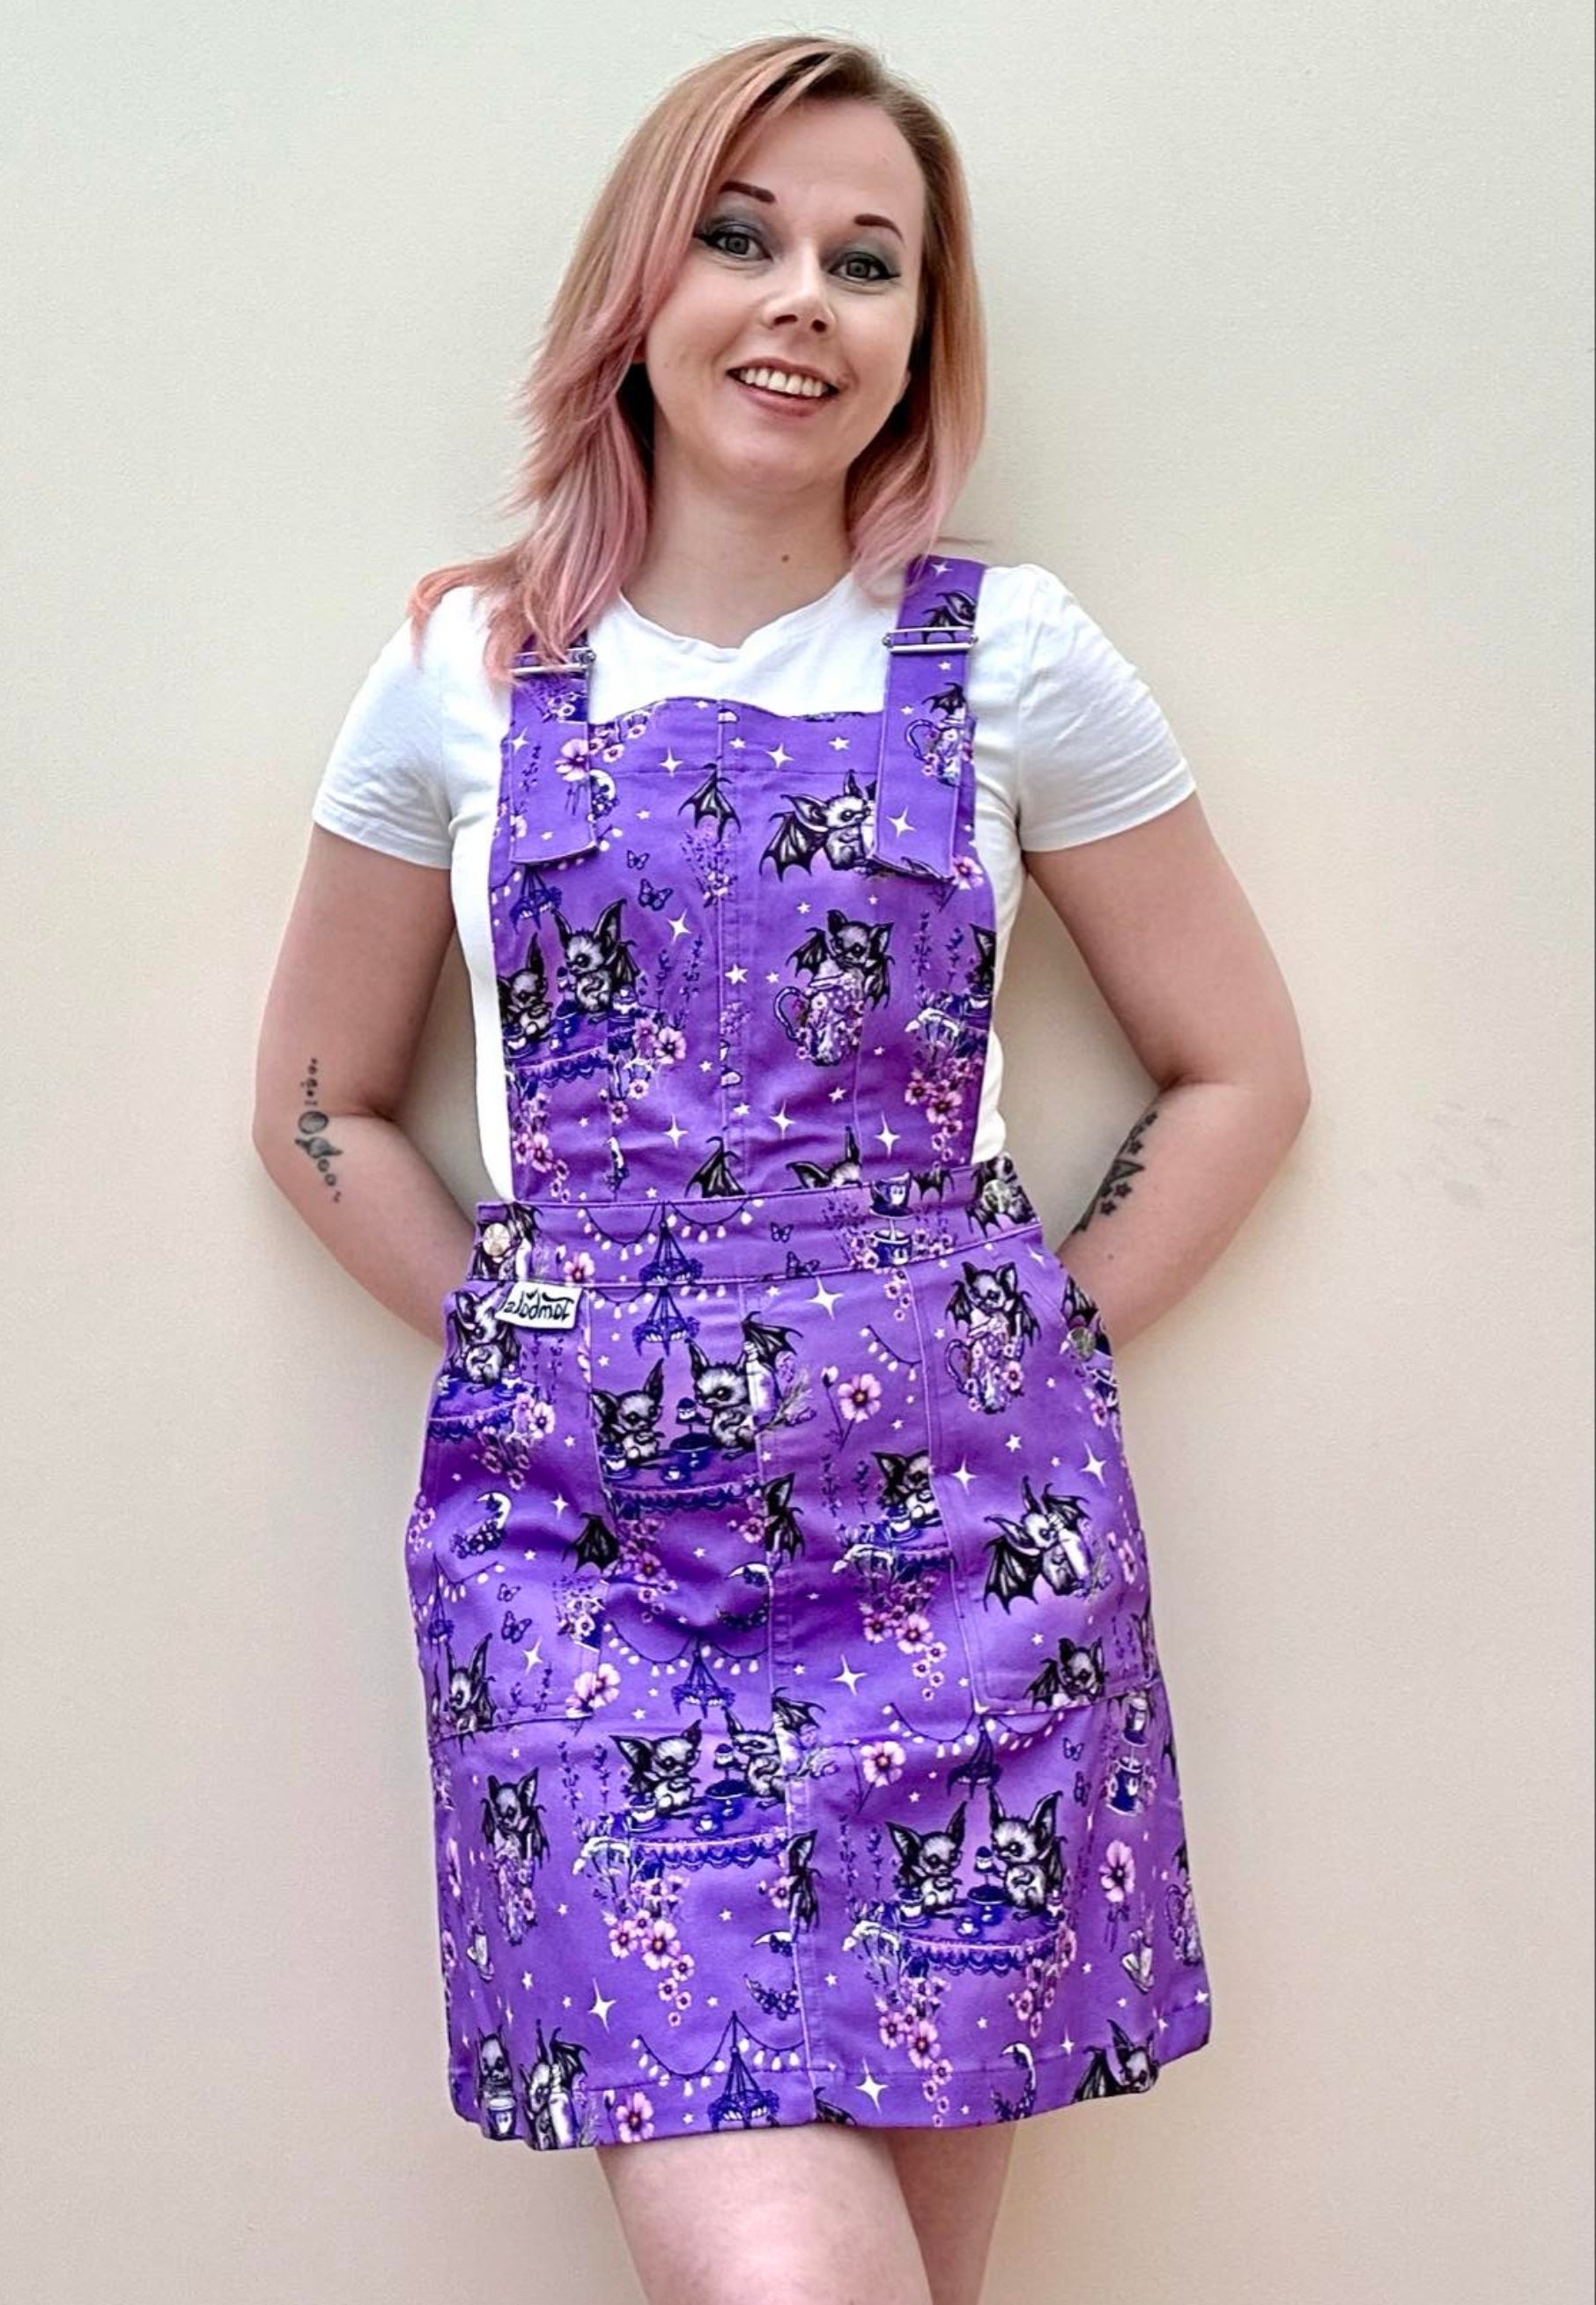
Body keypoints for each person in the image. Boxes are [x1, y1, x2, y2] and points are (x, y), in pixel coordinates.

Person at [254, 33, 1311, 2305]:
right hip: (591, 1575)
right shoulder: (468, 667)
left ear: (925, 337)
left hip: (962, 1565)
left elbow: (1234, 1068)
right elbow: (321, 1098)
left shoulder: (1010, 660)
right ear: (640, 289)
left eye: (868, 259)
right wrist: (549, 1353)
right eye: (741, 237)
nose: (799, 299)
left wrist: (1006, 1345)